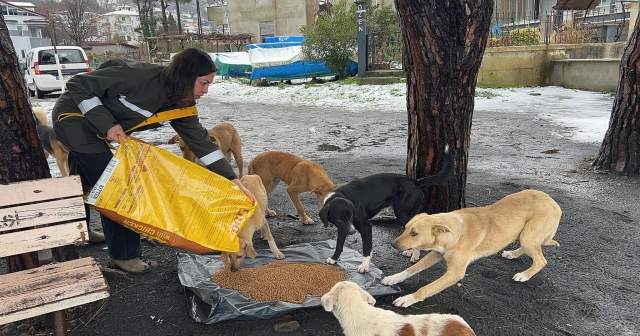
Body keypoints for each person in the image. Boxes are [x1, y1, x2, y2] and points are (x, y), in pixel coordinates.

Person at [52, 48, 256, 273]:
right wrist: (107, 124)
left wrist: (232, 180)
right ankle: (124, 256)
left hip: (100, 129)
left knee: (81, 182)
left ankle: (76, 229)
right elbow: (78, 85)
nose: (205, 91)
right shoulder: (134, 75)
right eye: (203, 83)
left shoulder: (182, 102)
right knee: (116, 189)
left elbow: (202, 143)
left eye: (209, 85)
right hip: (74, 121)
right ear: (186, 77)